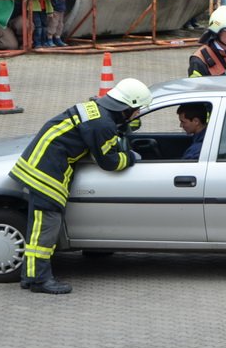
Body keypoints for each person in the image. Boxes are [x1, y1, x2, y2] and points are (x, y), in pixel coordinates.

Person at [10, 78, 150, 293]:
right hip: (47, 172)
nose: (138, 113)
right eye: (137, 109)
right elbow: (109, 162)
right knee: (46, 229)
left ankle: (30, 277)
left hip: (38, 164)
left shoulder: (95, 109)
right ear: (127, 107)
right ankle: (40, 281)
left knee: (38, 230)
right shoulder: (102, 125)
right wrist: (130, 157)